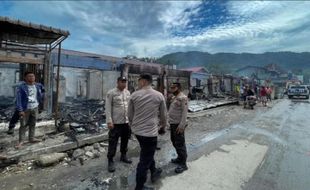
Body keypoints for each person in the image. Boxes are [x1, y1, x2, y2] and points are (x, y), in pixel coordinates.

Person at [128, 73, 167, 190]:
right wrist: (163, 126)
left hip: (138, 132)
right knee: (144, 161)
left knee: (147, 153)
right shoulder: (159, 95)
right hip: (150, 133)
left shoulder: (134, 95)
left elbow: (129, 115)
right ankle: (139, 187)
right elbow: (164, 115)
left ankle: (154, 171)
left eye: (139, 81)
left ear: (144, 81)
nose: (138, 83)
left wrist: (133, 126)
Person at [105, 76, 132, 172]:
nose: (124, 84)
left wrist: (131, 120)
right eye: (122, 82)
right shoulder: (111, 93)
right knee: (113, 142)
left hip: (126, 122)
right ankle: (110, 160)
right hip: (115, 123)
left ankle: (123, 156)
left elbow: (129, 107)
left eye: (125, 82)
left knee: (125, 140)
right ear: (117, 82)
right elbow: (107, 107)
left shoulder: (128, 92)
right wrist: (109, 121)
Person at [15, 71, 45, 148]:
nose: (31, 77)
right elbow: (18, 99)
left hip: (35, 107)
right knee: (23, 125)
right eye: (29, 76)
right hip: (25, 109)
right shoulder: (21, 87)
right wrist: (20, 110)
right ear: (25, 78)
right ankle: (21, 141)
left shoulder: (38, 85)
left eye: (33, 76)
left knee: (33, 123)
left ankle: (31, 138)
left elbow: (43, 91)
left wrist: (41, 99)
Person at [168, 82, 189, 173]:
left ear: (178, 88)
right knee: (174, 141)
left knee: (180, 144)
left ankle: (183, 164)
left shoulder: (183, 98)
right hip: (173, 124)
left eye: (173, 88)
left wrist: (182, 125)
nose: (172, 89)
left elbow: (185, 113)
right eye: (171, 87)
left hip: (178, 125)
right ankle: (180, 158)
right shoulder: (174, 97)